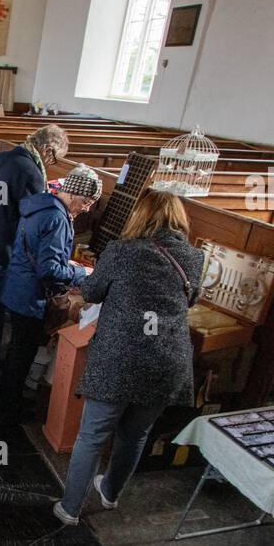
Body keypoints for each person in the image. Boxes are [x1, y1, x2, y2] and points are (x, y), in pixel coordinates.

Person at [53, 191, 205, 525]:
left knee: (91, 436)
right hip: (166, 359)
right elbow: (193, 296)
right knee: (135, 435)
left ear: (141, 215)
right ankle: (110, 493)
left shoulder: (121, 252)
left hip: (119, 358)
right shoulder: (194, 258)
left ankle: (70, 508)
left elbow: (91, 292)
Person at [0, 165, 101, 420]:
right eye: (87, 201)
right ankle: (10, 410)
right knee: (22, 355)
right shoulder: (57, 219)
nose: (87, 208)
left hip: (17, 287)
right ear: (74, 194)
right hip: (31, 296)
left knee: (16, 352)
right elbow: (49, 270)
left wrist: (66, 264)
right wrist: (81, 274)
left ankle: (7, 401)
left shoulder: (39, 206)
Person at [0, 124, 70, 366]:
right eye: (54, 158)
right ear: (47, 149)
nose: (51, 163)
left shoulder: (1, 157)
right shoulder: (30, 170)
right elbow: (31, 215)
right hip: (2, 245)